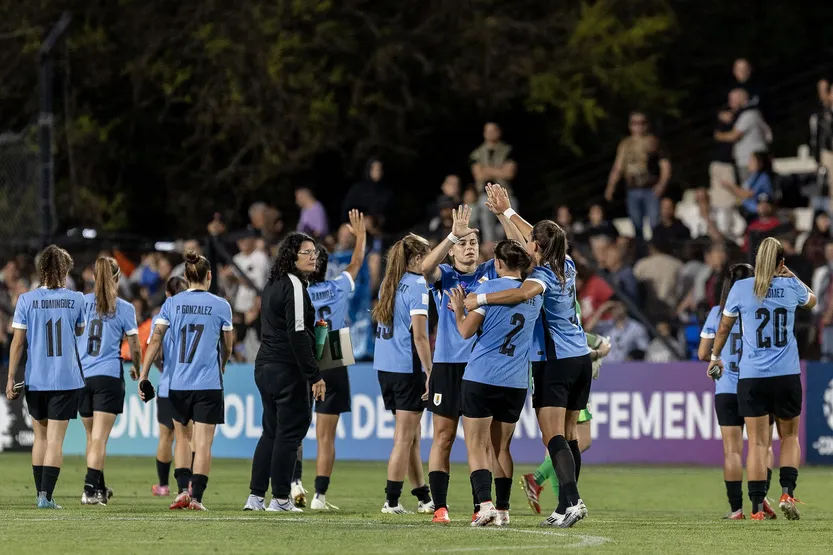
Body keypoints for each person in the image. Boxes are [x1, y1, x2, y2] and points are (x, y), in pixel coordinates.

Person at [464, 186, 610, 528]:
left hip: (555, 361)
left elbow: (522, 292)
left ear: (539, 249)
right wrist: (506, 213)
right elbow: (537, 238)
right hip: (580, 360)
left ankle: (573, 501)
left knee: (553, 436)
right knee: (571, 435)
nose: (527, 245)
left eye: (533, 244)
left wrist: (481, 300)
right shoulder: (568, 264)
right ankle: (563, 505)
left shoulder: (542, 277)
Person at [708, 238, 816, 521]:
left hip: (752, 377)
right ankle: (787, 493)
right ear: (781, 263)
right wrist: (790, 274)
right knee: (789, 437)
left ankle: (756, 508)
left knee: (757, 443)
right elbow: (813, 299)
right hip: (787, 375)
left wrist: (714, 356)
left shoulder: (741, 288)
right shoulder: (791, 286)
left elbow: (723, 328)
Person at [446, 240, 541, 527]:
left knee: (476, 445)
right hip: (514, 381)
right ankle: (503, 510)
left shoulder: (487, 290)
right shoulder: (534, 295)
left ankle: (484, 505)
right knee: (502, 448)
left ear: (498, 263)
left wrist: (459, 309)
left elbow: (464, 332)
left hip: (482, 376)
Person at [420, 203, 499, 524]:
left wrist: (504, 215)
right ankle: (440, 507)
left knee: (480, 441)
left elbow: (521, 252)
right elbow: (426, 266)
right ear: (452, 252)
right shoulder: (446, 274)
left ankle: (482, 505)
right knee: (444, 437)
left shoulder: (490, 272)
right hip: (448, 367)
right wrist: (453, 234)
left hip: (481, 367)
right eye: (463, 244)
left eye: (473, 243)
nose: (469, 249)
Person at [138, 251, 235, 511]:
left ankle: (181, 490)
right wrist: (223, 364)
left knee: (181, 438)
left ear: (185, 276)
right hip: (208, 384)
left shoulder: (171, 304)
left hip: (177, 384)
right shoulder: (221, 305)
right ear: (209, 276)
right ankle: (197, 497)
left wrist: (144, 374)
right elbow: (227, 345)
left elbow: (155, 340)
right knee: (202, 443)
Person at [244, 233, 326, 512]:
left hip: (265, 365)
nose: (313, 256)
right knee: (290, 433)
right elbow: (298, 332)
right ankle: (280, 498)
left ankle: (255, 497)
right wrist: (314, 374)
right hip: (285, 368)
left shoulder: (273, 284)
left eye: (314, 252)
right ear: (292, 257)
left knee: (271, 431)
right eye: (307, 252)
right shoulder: (293, 283)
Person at [5, 245, 86, 509]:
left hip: (35, 378)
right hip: (65, 378)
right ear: (64, 270)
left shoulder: (26, 300)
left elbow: (17, 343)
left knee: (40, 437)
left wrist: (9, 378)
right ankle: (46, 496)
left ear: (41, 270)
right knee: (55, 440)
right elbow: (80, 330)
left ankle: (41, 494)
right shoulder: (76, 299)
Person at [698, 263, 778, 520]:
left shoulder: (716, 312)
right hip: (756, 385)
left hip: (726, 389)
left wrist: (717, 358)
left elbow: (702, 353)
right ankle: (760, 496)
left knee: (732, 451)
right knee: (762, 446)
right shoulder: (759, 309)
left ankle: (736, 510)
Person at [307, 210, 366, 510]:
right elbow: (356, 264)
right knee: (326, 436)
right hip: (333, 351)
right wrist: (362, 236)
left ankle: (290, 485)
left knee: (290, 427)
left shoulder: (298, 291)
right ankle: (319, 496)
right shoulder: (338, 286)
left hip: (304, 354)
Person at [372, 233, 434, 515]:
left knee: (412, 436)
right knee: (404, 436)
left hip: (384, 367)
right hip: (406, 368)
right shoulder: (418, 284)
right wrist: (430, 371)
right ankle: (392, 500)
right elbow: (419, 336)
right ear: (417, 259)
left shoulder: (389, 282)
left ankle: (423, 496)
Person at [77, 257, 143, 505]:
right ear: (117, 277)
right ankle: (89, 489)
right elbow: (135, 347)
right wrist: (138, 369)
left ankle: (99, 489)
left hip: (82, 376)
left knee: (91, 437)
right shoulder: (124, 307)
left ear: (94, 276)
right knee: (99, 439)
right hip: (108, 376)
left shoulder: (81, 303)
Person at [149, 276, 194, 497]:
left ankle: (163, 485)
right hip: (193, 384)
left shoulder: (161, 317)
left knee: (166, 436)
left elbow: (156, 352)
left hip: (168, 385)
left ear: (168, 294)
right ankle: (189, 483)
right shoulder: (195, 314)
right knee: (188, 436)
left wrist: (162, 368)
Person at [605, 112, 672, 241]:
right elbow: (618, 167)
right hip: (632, 188)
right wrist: (610, 187)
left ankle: (656, 249)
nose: (639, 127)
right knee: (636, 225)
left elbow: (665, 165)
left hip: (651, 188)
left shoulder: (654, 142)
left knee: (655, 224)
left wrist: (661, 185)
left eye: (642, 123)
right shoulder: (625, 144)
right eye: (635, 123)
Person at [720, 151, 774, 223]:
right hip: (744, 210)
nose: (749, 163)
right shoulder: (753, 176)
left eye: (752, 160)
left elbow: (747, 194)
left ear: (760, 163)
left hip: (755, 214)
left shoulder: (764, 177)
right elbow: (740, 195)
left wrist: (731, 186)